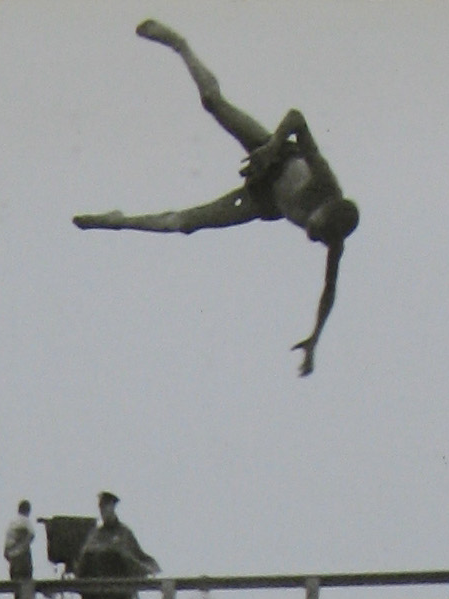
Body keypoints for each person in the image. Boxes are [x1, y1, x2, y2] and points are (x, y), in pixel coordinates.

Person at [75, 20, 358, 376]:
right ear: (325, 208)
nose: (311, 236)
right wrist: (271, 147)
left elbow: (328, 292)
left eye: (318, 238)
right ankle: (180, 45)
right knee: (212, 102)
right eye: (315, 228)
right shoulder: (324, 182)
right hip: (271, 156)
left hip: (262, 201)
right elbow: (297, 118)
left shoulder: (334, 240)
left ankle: (116, 221)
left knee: (184, 223)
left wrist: (315, 338)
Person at [75, 492, 158, 599]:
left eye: (106, 507)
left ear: (113, 507)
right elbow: (82, 564)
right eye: (101, 508)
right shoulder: (94, 535)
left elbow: (137, 557)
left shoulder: (124, 533)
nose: (103, 511)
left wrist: (148, 568)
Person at [5, 499, 35, 599]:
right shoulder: (24, 521)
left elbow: (5, 552)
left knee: (17, 594)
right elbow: (31, 535)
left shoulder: (11, 524)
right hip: (22, 562)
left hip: (13, 563)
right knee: (25, 595)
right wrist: (22, 548)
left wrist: (12, 554)